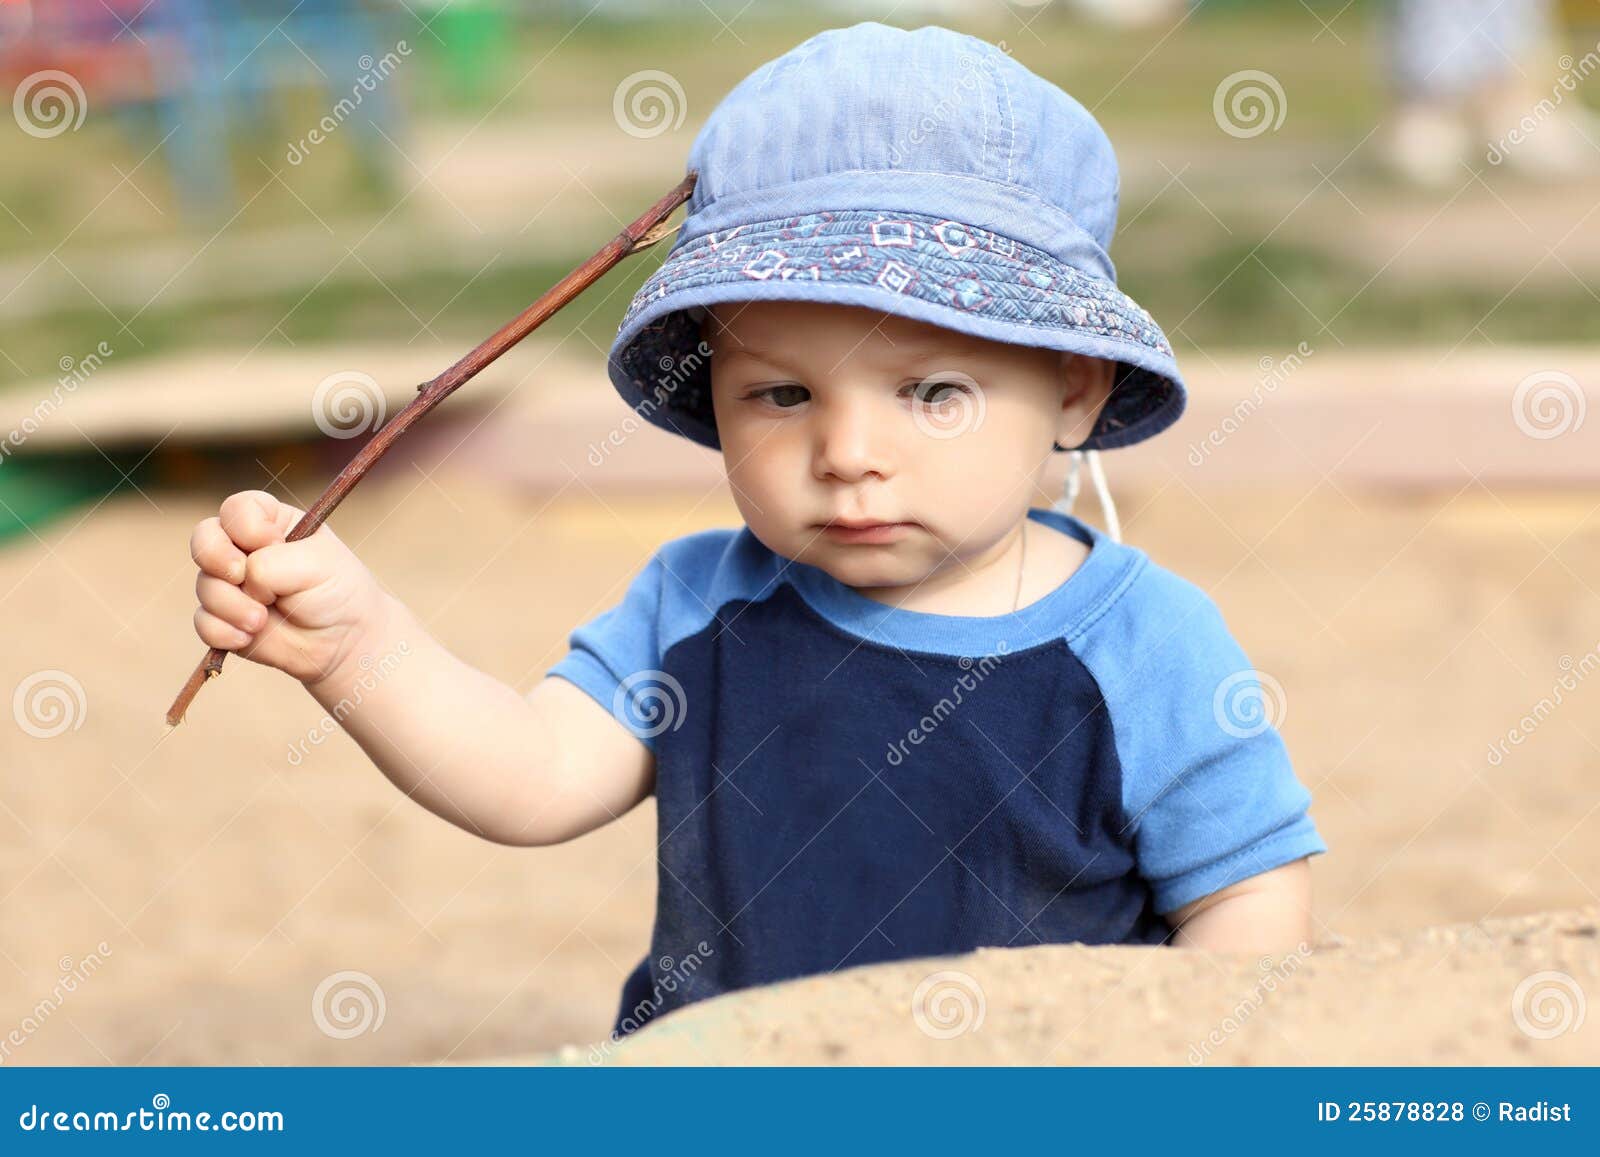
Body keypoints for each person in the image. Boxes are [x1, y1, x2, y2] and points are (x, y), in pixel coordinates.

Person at [187, 22, 1327, 1045]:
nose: (846, 452)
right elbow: (533, 776)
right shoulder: (697, 606)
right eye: (781, 395)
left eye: (932, 391)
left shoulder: (1146, 643)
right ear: (711, 386)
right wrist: (356, 648)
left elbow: (1244, 892)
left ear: (1074, 391)